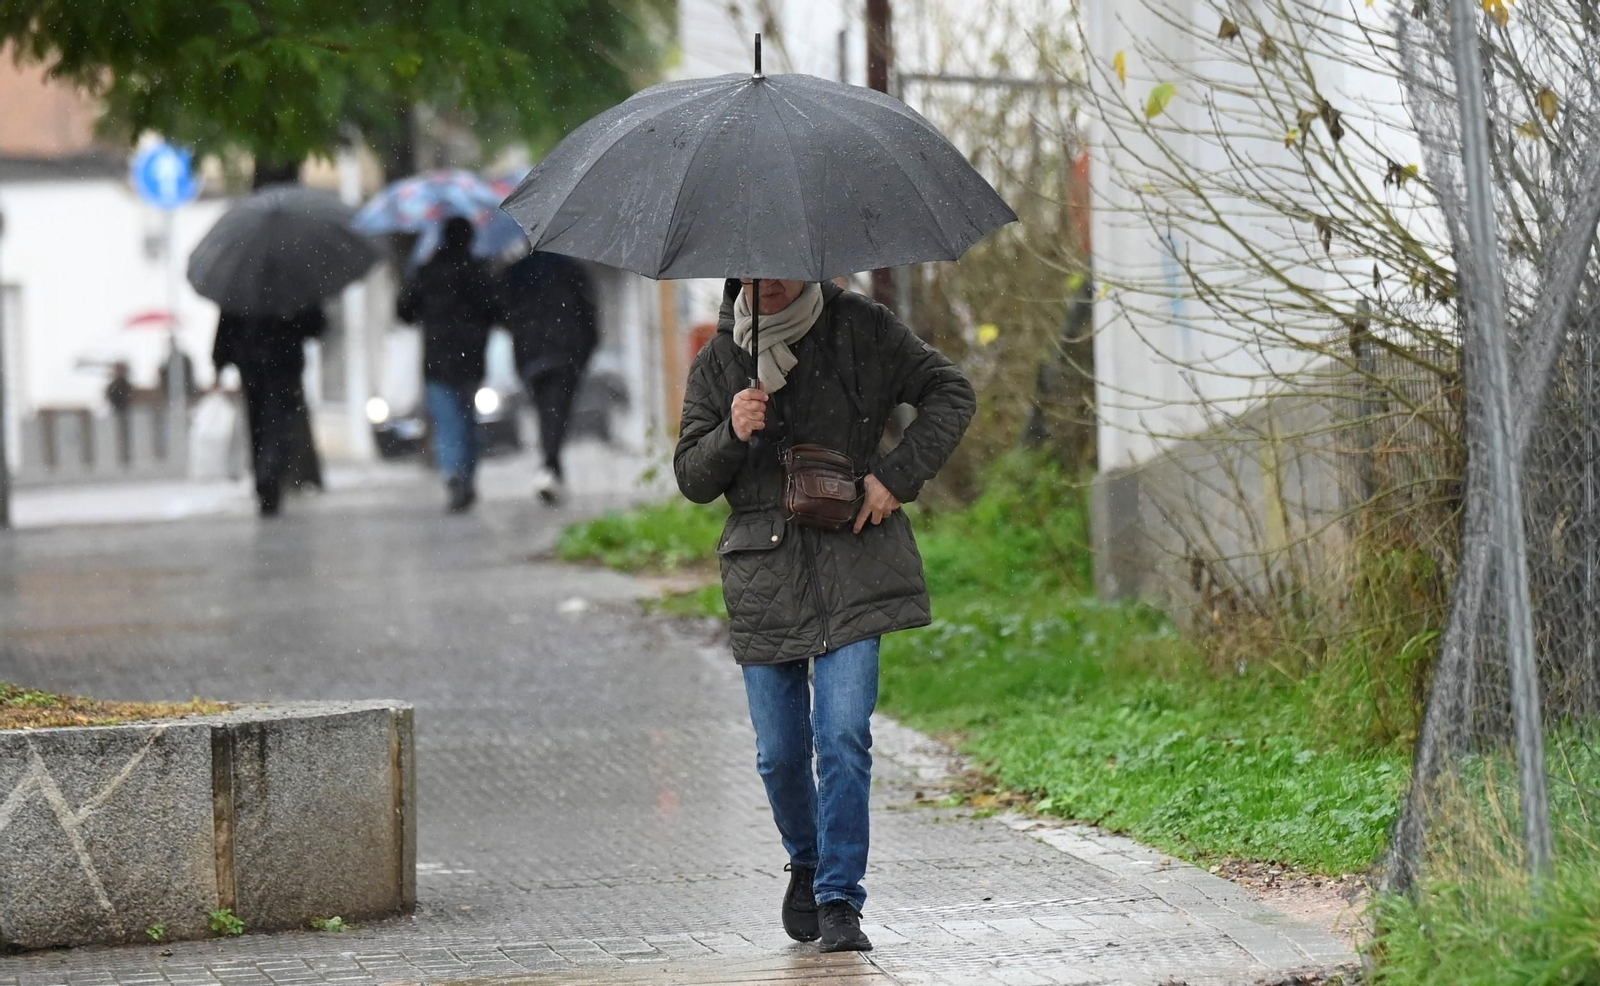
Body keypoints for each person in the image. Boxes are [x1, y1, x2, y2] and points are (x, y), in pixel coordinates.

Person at [674, 278, 975, 953]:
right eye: (761, 267)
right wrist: (732, 430)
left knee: (842, 737)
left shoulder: (859, 327)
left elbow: (951, 392)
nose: (775, 280)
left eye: (789, 265)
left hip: (855, 561)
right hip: (764, 576)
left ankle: (841, 897)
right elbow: (692, 477)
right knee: (779, 754)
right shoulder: (721, 360)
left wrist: (896, 478)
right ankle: (806, 862)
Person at [397, 217, 499, 513]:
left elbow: (404, 311)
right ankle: (464, 475)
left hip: (437, 358)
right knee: (467, 419)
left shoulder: (428, 271)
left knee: (447, 419)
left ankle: (454, 473)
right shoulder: (478, 271)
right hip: (471, 357)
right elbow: (495, 310)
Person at [500, 250, 598, 505]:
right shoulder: (572, 270)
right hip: (566, 352)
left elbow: (501, 310)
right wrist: (585, 351)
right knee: (557, 410)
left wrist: (521, 330)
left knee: (547, 409)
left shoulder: (516, 272)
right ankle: (550, 465)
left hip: (531, 354)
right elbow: (589, 314)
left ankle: (550, 466)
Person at [212, 306, 326, 516]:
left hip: (254, 365)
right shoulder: (291, 285)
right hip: (282, 365)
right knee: (278, 424)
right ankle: (270, 473)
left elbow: (226, 326)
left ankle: (266, 475)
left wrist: (220, 359)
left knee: (259, 424)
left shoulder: (242, 287)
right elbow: (315, 324)